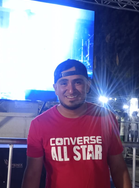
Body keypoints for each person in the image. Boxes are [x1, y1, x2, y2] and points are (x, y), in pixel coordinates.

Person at [22, 59, 131, 188]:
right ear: (55, 88)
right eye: (63, 83)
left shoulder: (106, 117)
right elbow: (33, 173)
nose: (71, 90)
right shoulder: (39, 124)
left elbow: (118, 168)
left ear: (88, 85)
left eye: (78, 82)